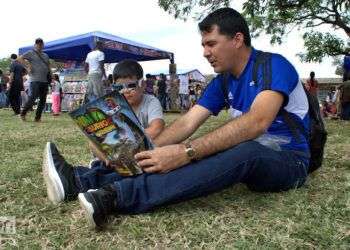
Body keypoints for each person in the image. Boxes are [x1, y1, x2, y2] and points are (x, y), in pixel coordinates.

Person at [42, 8, 310, 229]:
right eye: (203, 45)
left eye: (211, 43)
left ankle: (117, 197)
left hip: (290, 161)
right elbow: (186, 123)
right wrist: (138, 149)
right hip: (250, 152)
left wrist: (186, 152)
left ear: (237, 39)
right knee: (179, 149)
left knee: (242, 150)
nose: (205, 52)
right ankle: (78, 180)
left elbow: (256, 123)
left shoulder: (274, 65)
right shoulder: (222, 82)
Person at [18, 38, 52, 122]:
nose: (39, 45)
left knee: (43, 100)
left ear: (43, 45)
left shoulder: (45, 55)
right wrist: (27, 67)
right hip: (35, 80)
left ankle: (38, 118)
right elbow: (19, 59)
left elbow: (48, 66)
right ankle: (23, 113)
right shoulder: (31, 53)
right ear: (35, 45)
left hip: (44, 80)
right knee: (32, 98)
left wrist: (51, 74)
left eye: (41, 44)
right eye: (38, 44)